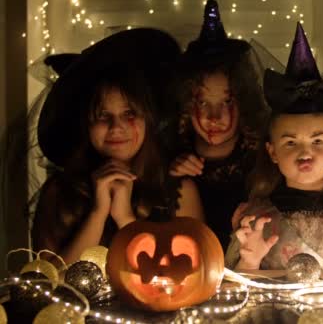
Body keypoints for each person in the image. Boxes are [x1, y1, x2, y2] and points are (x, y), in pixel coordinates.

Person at [32, 28, 204, 264]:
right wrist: (98, 212)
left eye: (129, 114)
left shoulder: (179, 192)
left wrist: (125, 217)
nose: (116, 127)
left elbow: (182, 276)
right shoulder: (59, 192)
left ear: (147, 120)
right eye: (103, 116)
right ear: (87, 124)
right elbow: (52, 282)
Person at [225, 23, 323, 270]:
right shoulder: (257, 221)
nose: (305, 152)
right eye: (290, 142)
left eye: (317, 141)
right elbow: (235, 289)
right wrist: (250, 260)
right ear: (272, 152)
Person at [169, 0, 269, 249]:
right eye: (202, 102)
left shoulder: (263, 158)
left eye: (226, 102)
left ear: (244, 102)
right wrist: (167, 178)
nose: (214, 116)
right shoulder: (170, 152)